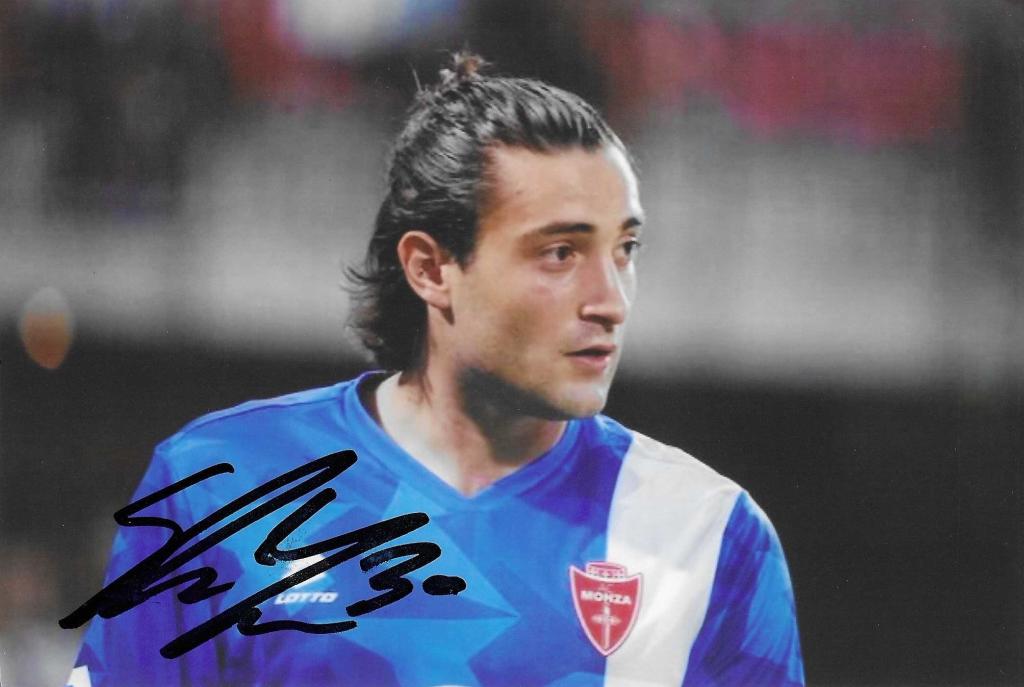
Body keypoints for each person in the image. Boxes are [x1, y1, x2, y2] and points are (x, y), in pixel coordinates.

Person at [65, 53, 804, 686]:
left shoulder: (711, 535)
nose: (609, 300)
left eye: (625, 251)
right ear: (430, 268)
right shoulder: (220, 486)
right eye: (560, 253)